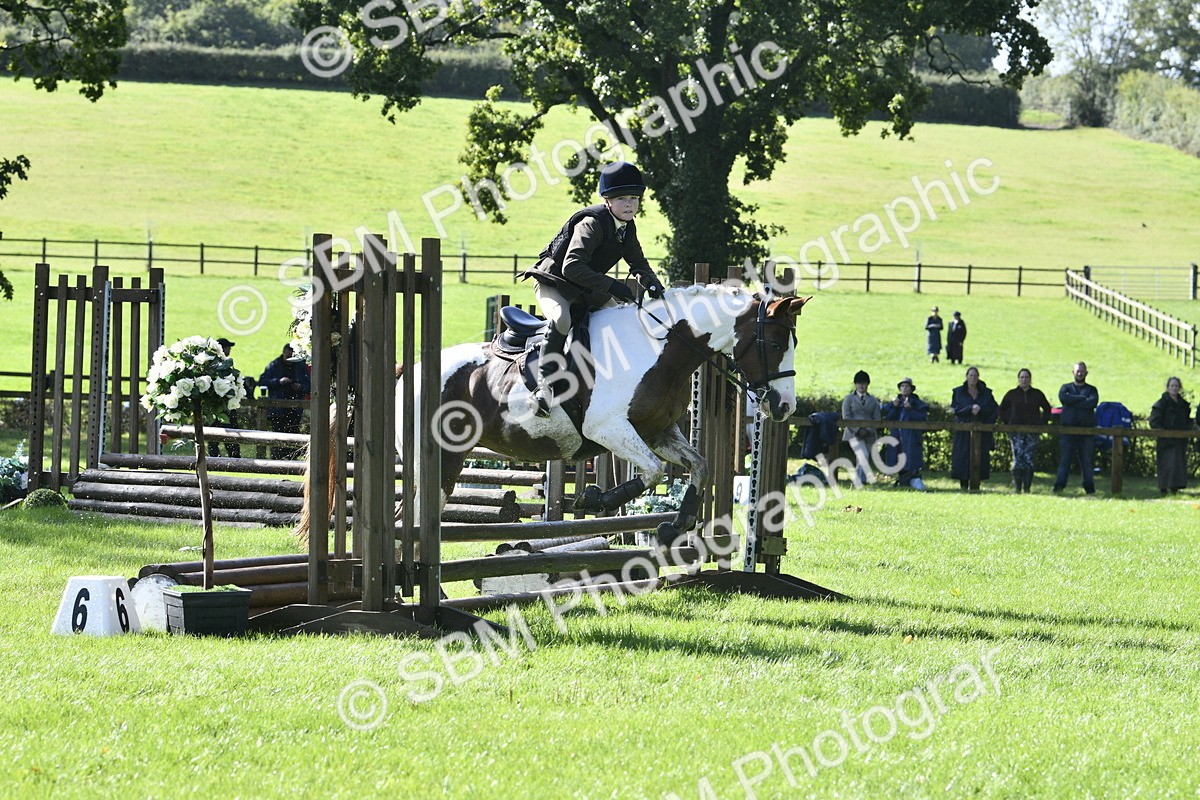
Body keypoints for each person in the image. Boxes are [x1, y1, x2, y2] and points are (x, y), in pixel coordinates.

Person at [522, 161, 666, 416]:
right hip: (554, 283)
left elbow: (638, 262)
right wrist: (612, 286)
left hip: (584, 289)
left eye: (634, 198)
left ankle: (609, 383)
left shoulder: (627, 227)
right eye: (622, 198)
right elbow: (571, 267)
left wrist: (652, 282)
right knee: (561, 319)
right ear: (607, 200)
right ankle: (543, 388)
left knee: (620, 321)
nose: (630, 204)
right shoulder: (592, 224)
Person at [998, 368, 1053, 493]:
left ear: (1030, 379)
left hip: (1032, 431)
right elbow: (1001, 409)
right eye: (1022, 377)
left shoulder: (1037, 394)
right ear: (1018, 379)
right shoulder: (1011, 394)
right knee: (1018, 459)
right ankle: (1017, 487)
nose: (1024, 380)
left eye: (1026, 377)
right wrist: (1008, 422)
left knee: (1028, 459)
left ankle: (1027, 488)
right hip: (1016, 431)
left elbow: (1047, 408)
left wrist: (1042, 423)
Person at [1053, 361, 1099, 495]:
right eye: (1077, 371)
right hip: (1067, 432)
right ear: (1073, 373)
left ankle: (1089, 488)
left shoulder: (1092, 390)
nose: (1079, 373)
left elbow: (1092, 403)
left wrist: (1072, 401)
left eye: (1082, 371)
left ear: (1086, 373)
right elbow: (1063, 399)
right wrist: (1082, 399)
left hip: (1087, 433)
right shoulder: (1065, 387)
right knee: (1064, 461)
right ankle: (1059, 486)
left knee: (1087, 462)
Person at [258, 344, 310, 458]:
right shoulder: (275, 365)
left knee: (293, 433)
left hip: (295, 409)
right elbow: (262, 380)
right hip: (277, 409)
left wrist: (300, 387)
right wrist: (279, 381)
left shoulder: (300, 367)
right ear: (283, 353)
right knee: (277, 435)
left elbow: (309, 385)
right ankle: (276, 458)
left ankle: (292, 459)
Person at [950, 366, 998, 490]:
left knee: (980, 455)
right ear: (966, 377)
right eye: (971, 375)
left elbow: (994, 409)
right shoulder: (958, 392)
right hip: (963, 429)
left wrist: (981, 411)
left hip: (981, 427)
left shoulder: (986, 393)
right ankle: (963, 485)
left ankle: (976, 484)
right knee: (963, 455)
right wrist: (970, 408)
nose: (973, 378)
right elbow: (955, 410)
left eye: (975, 376)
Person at [882, 377, 929, 490]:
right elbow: (887, 418)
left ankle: (912, 478)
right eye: (902, 386)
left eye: (906, 386)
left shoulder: (917, 403)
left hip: (911, 437)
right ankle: (902, 479)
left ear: (911, 389)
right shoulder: (896, 402)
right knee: (896, 458)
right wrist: (894, 407)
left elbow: (923, 418)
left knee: (911, 459)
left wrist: (910, 409)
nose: (904, 388)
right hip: (897, 437)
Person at [1148, 376, 1192, 495]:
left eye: (1176, 386)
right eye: (1172, 386)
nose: (1174, 388)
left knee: (1178, 465)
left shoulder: (1183, 405)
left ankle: (1175, 489)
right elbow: (1154, 421)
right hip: (1165, 441)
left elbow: (1187, 421)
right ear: (1168, 388)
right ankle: (1163, 488)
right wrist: (1163, 433)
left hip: (1179, 441)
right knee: (1166, 465)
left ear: (1179, 388)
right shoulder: (1161, 403)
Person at [841, 370, 880, 486]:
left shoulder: (873, 400)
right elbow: (846, 416)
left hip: (869, 434)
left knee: (863, 458)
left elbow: (876, 418)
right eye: (859, 383)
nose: (861, 386)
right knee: (863, 455)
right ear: (855, 384)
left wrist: (868, 430)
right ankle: (859, 480)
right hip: (853, 434)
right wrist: (858, 430)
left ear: (868, 384)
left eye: (864, 383)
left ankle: (862, 480)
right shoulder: (848, 399)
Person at [208, 337, 242, 459]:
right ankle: (232, 456)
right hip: (222, 403)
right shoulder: (221, 364)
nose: (229, 350)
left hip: (221, 403)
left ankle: (216, 456)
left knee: (217, 431)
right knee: (230, 430)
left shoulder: (217, 362)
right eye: (228, 347)